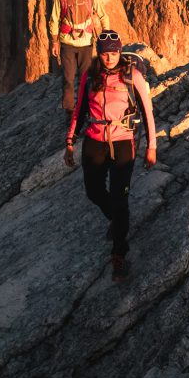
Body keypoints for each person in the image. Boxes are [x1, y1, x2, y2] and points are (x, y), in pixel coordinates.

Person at [64, 30, 157, 282]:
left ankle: (119, 253)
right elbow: (79, 110)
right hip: (94, 141)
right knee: (93, 191)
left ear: (119, 52)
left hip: (123, 143)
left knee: (119, 198)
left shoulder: (132, 76)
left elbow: (148, 113)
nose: (109, 58)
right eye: (105, 53)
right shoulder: (89, 76)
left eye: (114, 53)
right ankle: (117, 223)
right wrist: (70, 141)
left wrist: (152, 147)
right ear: (99, 53)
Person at [49, 0, 108, 119]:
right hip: (67, 44)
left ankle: (86, 109)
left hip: (86, 44)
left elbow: (103, 16)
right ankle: (70, 112)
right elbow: (54, 19)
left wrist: (106, 34)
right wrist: (54, 41)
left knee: (86, 78)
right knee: (68, 78)